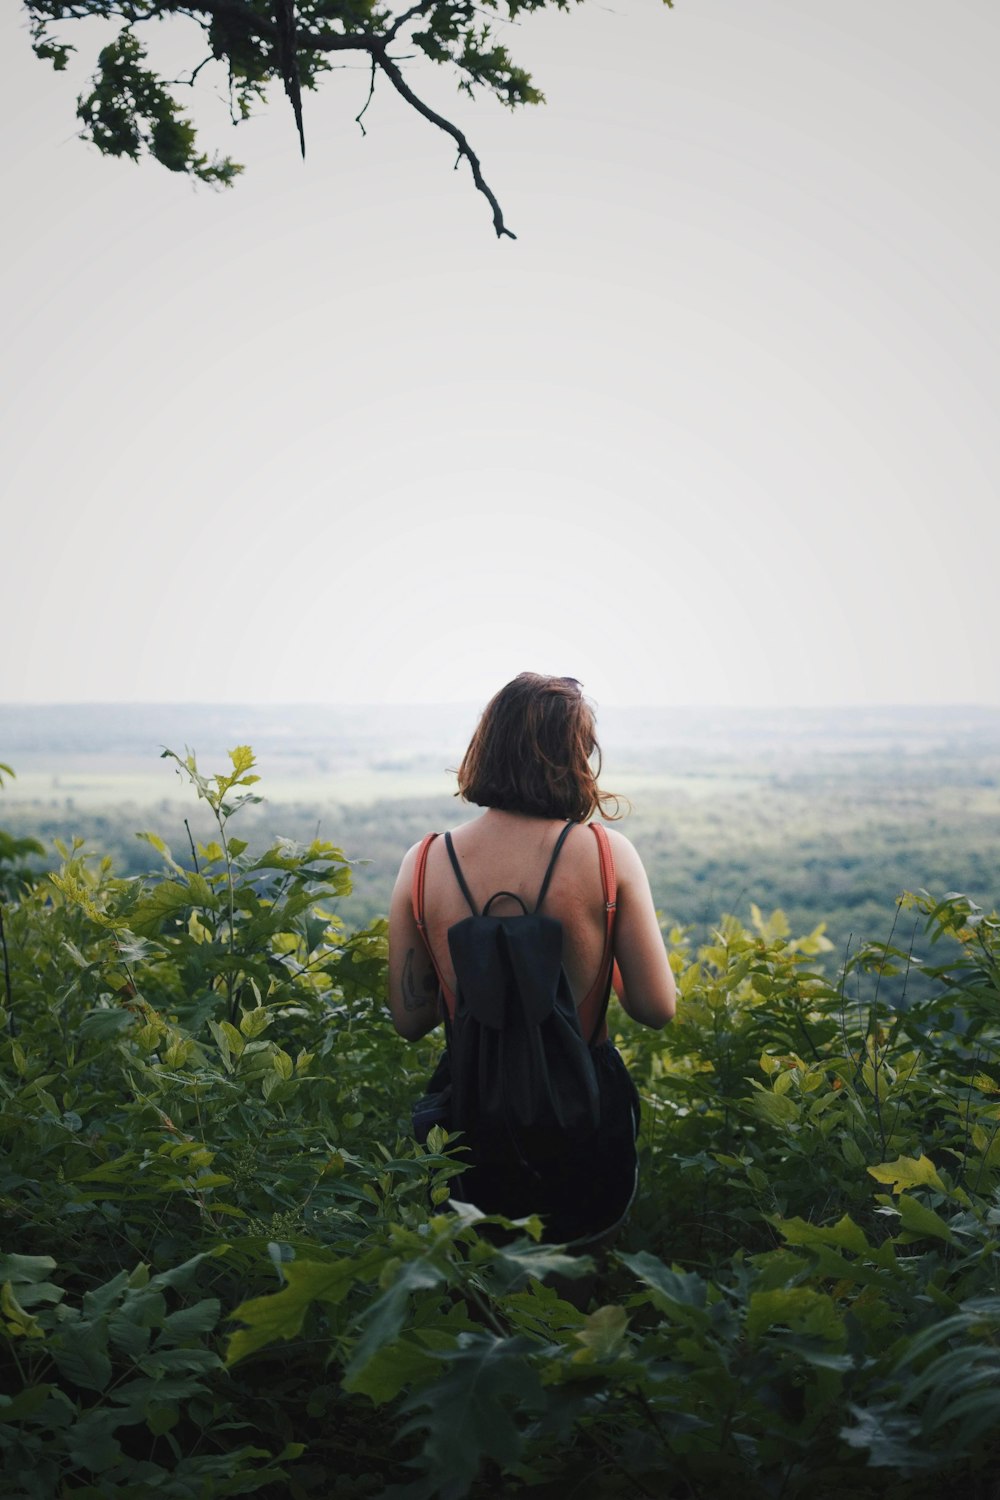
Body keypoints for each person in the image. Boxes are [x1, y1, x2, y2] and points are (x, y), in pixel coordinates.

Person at [387, 672, 676, 1247]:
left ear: (485, 748)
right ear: (576, 756)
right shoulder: (605, 854)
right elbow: (655, 1007)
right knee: (575, 1289)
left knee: (480, 1291)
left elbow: (410, 1020)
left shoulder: (423, 864)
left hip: (470, 1112)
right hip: (584, 1110)